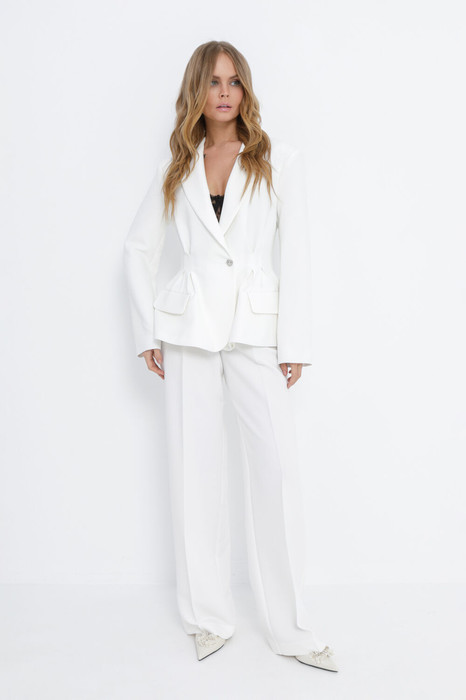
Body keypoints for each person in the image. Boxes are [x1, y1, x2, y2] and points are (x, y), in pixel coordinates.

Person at [124, 40, 338, 672]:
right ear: (197, 90)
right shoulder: (177, 167)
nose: (224, 92)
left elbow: (296, 253)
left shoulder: (278, 161)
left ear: (246, 90)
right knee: (195, 475)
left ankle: (293, 629)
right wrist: (147, 332)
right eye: (214, 81)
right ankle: (209, 620)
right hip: (189, 331)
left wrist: (294, 344)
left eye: (235, 81)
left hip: (255, 330)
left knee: (276, 473)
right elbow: (137, 249)